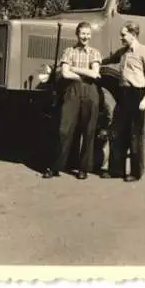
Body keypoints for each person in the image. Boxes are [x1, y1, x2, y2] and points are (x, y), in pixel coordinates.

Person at [43, 21, 102, 180]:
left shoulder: (95, 53)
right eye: (83, 33)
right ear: (77, 34)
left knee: (88, 131)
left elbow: (95, 74)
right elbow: (65, 74)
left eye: (88, 34)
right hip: (72, 92)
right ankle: (55, 167)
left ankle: (83, 169)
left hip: (90, 93)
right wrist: (83, 74)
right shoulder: (69, 51)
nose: (85, 37)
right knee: (64, 129)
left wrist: (74, 69)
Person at [101, 21, 145, 182]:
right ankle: (115, 170)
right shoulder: (122, 52)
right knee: (117, 132)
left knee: (136, 136)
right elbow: (107, 60)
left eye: (123, 34)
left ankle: (135, 172)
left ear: (133, 34)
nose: (121, 37)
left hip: (138, 95)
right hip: (123, 95)